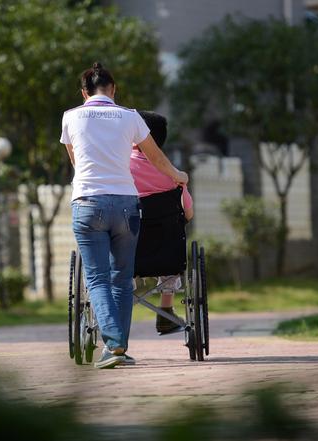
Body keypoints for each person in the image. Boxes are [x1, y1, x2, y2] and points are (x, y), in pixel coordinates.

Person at [61, 62, 188, 368]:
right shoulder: (130, 117)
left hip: (88, 203)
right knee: (120, 278)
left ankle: (114, 345)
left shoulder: (71, 117)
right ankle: (118, 348)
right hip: (127, 205)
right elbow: (155, 156)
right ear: (113, 89)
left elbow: (76, 162)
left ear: (83, 92)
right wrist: (178, 175)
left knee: (97, 278)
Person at [130, 111, 194, 334]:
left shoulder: (119, 168)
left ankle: (118, 311)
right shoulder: (171, 173)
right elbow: (188, 213)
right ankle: (165, 311)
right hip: (163, 252)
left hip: (128, 250)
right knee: (172, 239)